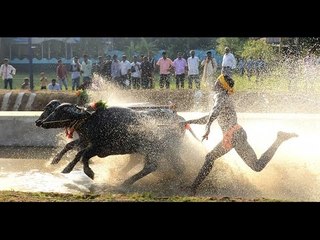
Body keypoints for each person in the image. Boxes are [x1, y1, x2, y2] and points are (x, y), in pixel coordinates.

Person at [185, 74, 298, 195]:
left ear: (220, 85)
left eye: (217, 80)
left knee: (210, 158)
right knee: (257, 166)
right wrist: (189, 122)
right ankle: (279, 139)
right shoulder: (223, 97)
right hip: (237, 133)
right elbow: (210, 116)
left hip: (233, 135)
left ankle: (192, 189)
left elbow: (214, 112)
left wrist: (208, 127)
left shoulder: (220, 95)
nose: (215, 82)